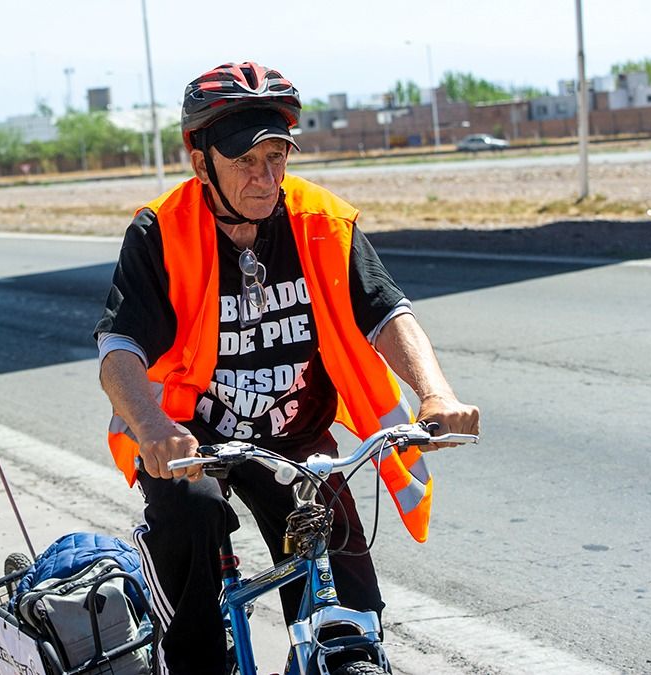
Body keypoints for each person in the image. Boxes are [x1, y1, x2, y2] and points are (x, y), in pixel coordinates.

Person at [94, 62, 480, 674]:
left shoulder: (320, 221)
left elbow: (387, 313)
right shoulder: (160, 232)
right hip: (193, 439)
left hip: (296, 437)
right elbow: (119, 350)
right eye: (246, 159)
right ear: (202, 164)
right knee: (192, 520)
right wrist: (150, 428)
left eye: (276, 156)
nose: (265, 175)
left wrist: (435, 394)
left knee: (349, 602)